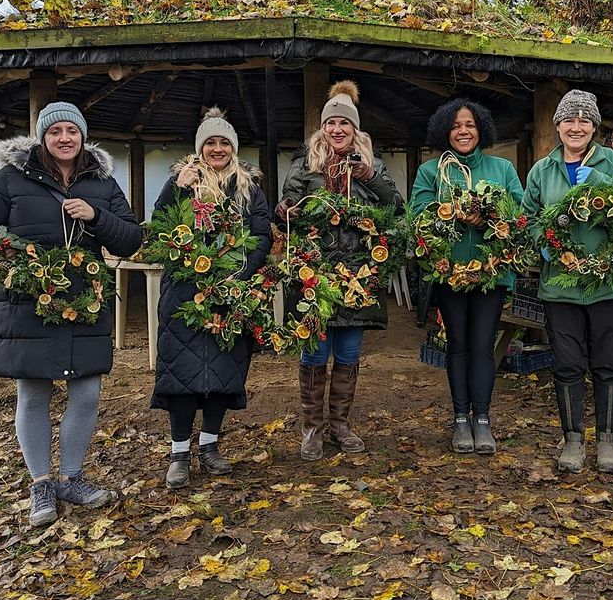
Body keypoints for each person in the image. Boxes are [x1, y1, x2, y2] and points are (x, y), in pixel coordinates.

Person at [0, 101, 142, 527]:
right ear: (43, 136)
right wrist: (4, 260)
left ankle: (71, 477)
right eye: (56, 130)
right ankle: (41, 484)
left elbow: (130, 238)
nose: (65, 138)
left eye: (72, 131)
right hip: (29, 304)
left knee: (87, 394)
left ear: (83, 137)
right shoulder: (10, 178)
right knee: (34, 394)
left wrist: (96, 216)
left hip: (85, 302)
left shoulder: (102, 183)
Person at [521, 89, 613, 475]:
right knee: (567, 362)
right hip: (561, 286)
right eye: (568, 120)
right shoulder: (543, 170)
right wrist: (545, 247)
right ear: (558, 125)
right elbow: (528, 219)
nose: (576, 127)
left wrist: (608, 186)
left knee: (609, 362)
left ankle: (608, 441)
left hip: (609, 284)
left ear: (594, 126)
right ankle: (573, 439)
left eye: (584, 120)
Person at [276, 81, 403, 460]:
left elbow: (396, 207)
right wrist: (286, 210)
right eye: (330, 123)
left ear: (355, 129)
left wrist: (370, 178)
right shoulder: (304, 164)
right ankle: (312, 427)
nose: (337, 130)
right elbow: (286, 206)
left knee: (348, 351)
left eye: (344, 124)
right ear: (323, 127)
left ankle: (340, 424)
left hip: (360, 274)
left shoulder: (373, 165)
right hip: (315, 273)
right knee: (315, 351)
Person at [151, 108, 272, 489]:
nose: (217, 148)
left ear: (233, 148)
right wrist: (179, 189)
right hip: (184, 291)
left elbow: (262, 232)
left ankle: (210, 446)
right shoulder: (181, 180)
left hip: (233, 292)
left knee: (225, 368)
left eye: (224, 142)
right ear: (200, 147)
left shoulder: (248, 186)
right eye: (211, 142)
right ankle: (179, 454)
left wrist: (242, 271)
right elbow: (160, 225)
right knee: (182, 373)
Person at [410, 99, 524, 455]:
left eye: (470, 125)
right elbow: (418, 216)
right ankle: (461, 419)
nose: (463, 131)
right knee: (457, 344)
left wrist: (488, 214)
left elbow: (519, 214)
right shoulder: (432, 171)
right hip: (450, 274)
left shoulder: (501, 168)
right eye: (457, 125)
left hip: (492, 273)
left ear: (481, 130)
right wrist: (452, 215)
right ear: (446, 130)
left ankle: (483, 419)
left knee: (482, 345)